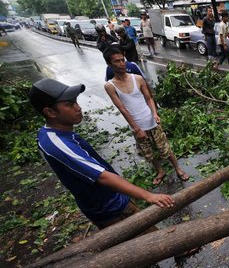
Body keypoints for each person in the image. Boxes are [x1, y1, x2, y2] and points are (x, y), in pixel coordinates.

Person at [29, 78, 175, 229]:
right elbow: (102, 176)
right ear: (50, 112)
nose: (78, 108)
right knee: (150, 240)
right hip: (110, 209)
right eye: (69, 104)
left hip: (111, 199)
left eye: (76, 101)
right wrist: (149, 196)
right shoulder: (57, 144)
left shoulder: (52, 133)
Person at [103, 48, 190, 185]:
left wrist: (155, 113)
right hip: (137, 126)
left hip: (151, 121)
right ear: (109, 64)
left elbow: (149, 98)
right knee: (148, 153)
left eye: (122, 60)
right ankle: (160, 171)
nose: (121, 64)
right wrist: (137, 129)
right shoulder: (110, 86)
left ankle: (178, 168)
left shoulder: (137, 79)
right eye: (117, 61)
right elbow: (122, 109)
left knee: (165, 148)